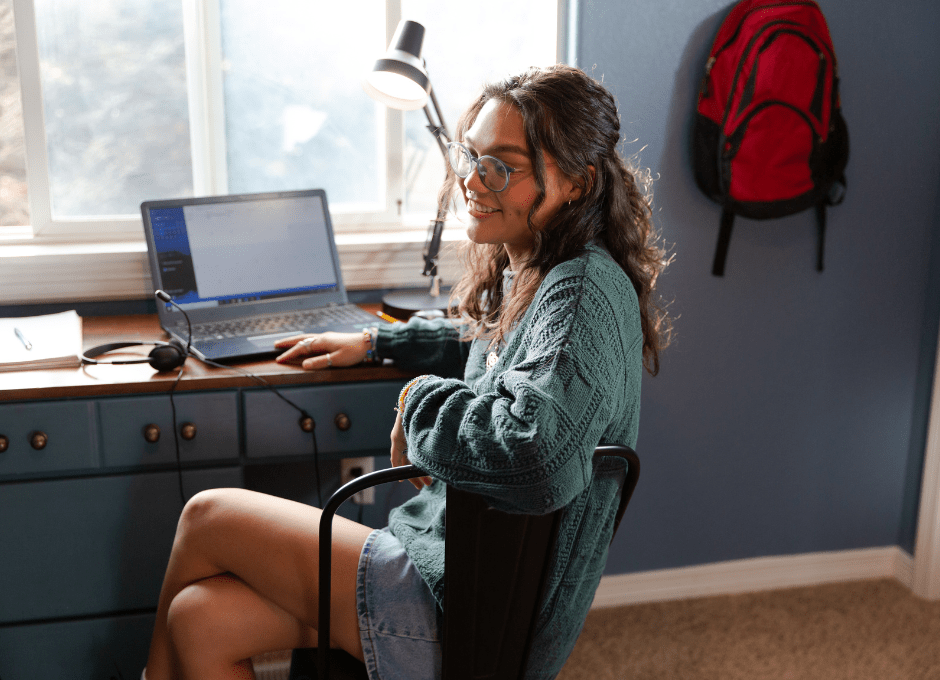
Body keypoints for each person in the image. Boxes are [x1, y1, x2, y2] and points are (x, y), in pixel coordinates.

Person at [143, 64, 670, 680]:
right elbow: (489, 347)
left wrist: (418, 399)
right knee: (199, 620)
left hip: (466, 608)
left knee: (206, 516)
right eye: (470, 155)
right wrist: (377, 342)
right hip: (452, 569)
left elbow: (538, 457)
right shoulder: (542, 269)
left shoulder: (578, 292)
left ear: (576, 183)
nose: (473, 180)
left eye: (502, 166)